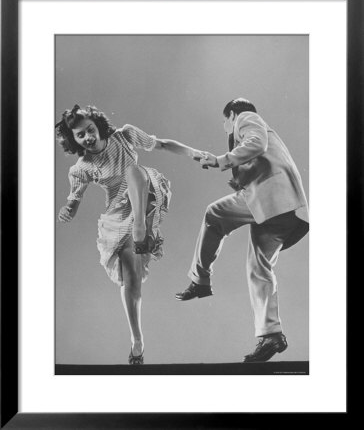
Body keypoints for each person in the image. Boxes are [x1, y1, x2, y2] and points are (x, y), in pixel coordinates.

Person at [56, 104, 203, 365]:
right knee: (130, 279)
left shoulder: (124, 136)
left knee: (134, 172)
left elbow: (163, 144)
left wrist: (194, 153)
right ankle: (137, 340)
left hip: (145, 191)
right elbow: (74, 199)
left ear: (97, 125)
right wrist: (68, 209)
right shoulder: (82, 167)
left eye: (90, 130)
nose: (88, 137)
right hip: (118, 211)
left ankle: (140, 229)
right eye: (80, 135)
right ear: (74, 140)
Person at [176, 98, 309, 362]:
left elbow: (256, 143)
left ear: (232, 114)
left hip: (272, 198)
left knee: (213, 214)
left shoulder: (246, 118)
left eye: (225, 122)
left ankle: (200, 280)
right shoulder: (261, 133)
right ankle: (271, 335)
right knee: (259, 268)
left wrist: (220, 159)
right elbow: (262, 155)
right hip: (284, 210)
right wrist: (238, 178)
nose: (227, 129)